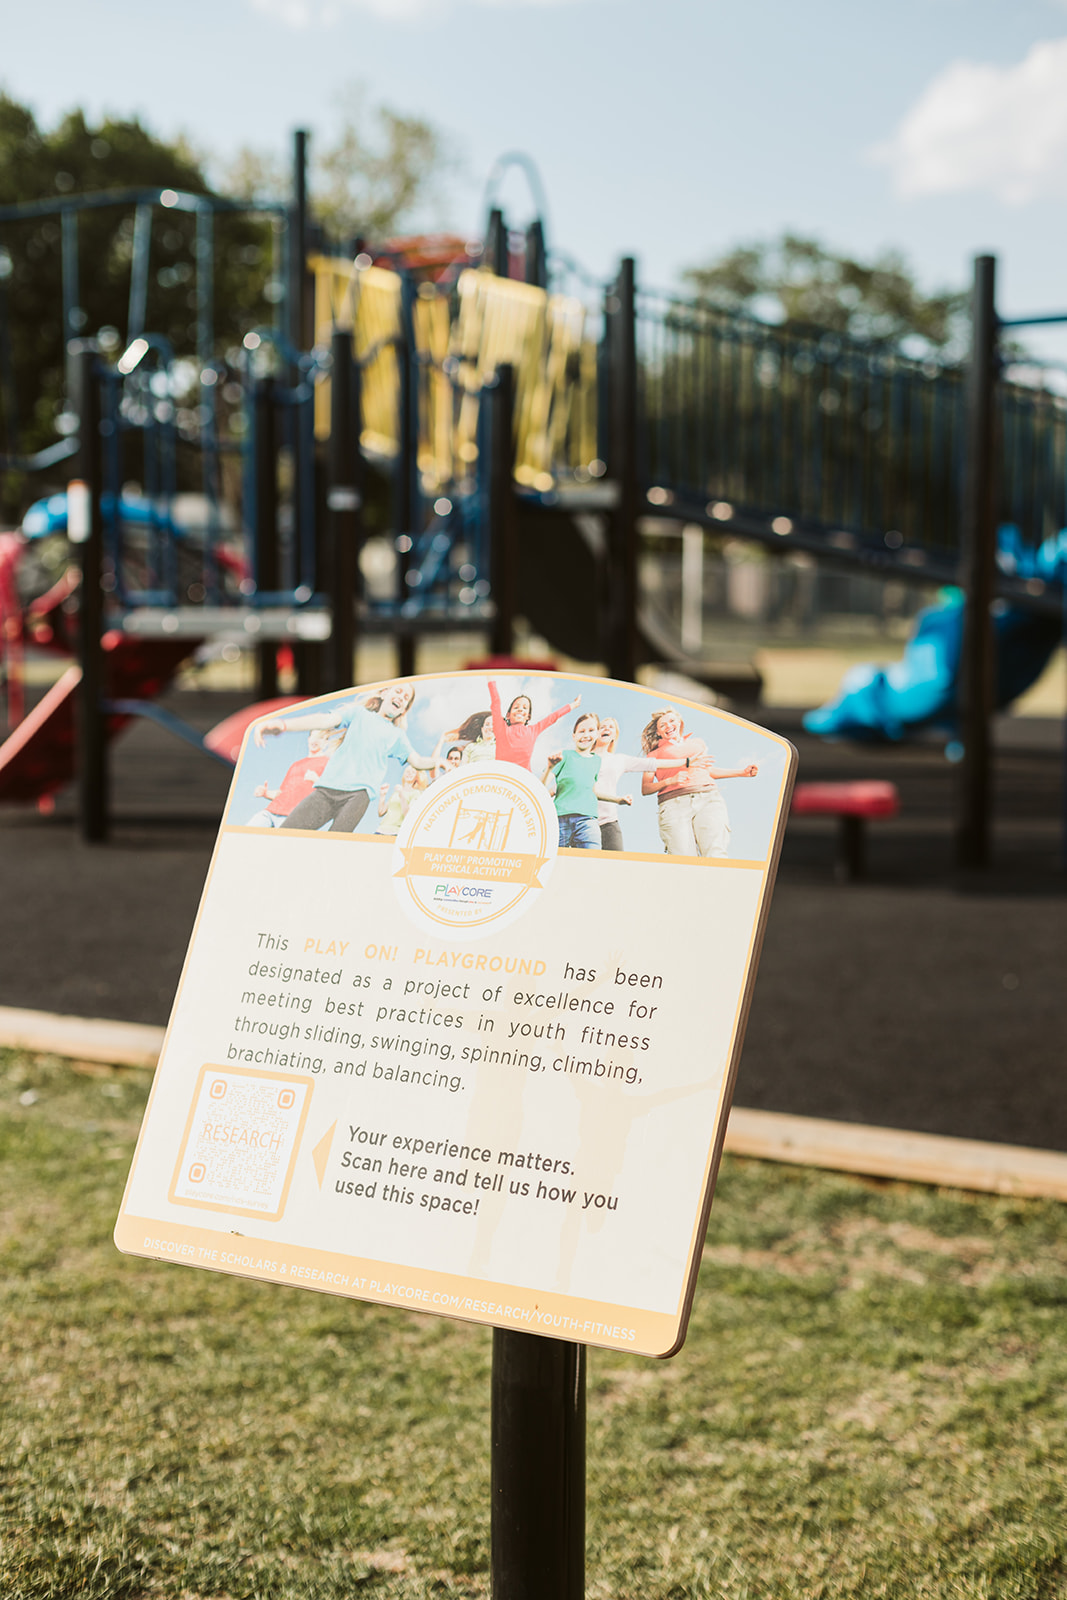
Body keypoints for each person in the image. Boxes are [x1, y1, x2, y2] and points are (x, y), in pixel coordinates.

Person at [253, 684, 437, 833]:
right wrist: (283, 725)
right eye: (398, 691)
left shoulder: (397, 736)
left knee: (334, 845)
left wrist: (438, 762)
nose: (401, 697)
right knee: (287, 834)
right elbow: (324, 720)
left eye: (406, 698)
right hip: (326, 790)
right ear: (384, 693)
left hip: (358, 796)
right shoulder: (359, 714)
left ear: (403, 710)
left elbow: (418, 761)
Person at [640, 707, 758, 857]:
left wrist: (741, 773)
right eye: (662, 725)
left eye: (671, 721)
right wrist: (670, 780)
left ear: (680, 723)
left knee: (715, 854)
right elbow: (646, 788)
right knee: (683, 858)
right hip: (674, 805)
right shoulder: (653, 755)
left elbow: (707, 771)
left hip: (708, 798)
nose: (668, 726)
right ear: (658, 732)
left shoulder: (697, 743)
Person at [590, 716, 688, 851]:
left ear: (614, 736)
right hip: (581, 820)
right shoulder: (581, 756)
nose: (606, 729)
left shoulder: (619, 760)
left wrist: (685, 762)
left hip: (608, 823)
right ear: (595, 732)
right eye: (602, 727)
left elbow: (651, 764)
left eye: (611, 727)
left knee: (616, 862)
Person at [542, 712, 631, 850]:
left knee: (592, 858)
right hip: (561, 819)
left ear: (597, 734)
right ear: (574, 736)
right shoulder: (564, 756)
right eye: (581, 731)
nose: (585, 735)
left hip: (587, 821)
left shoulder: (596, 761)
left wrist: (618, 800)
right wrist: (549, 768)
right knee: (557, 858)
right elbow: (541, 786)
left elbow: (593, 791)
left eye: (591, 730)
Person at [246, 727, 342, 828]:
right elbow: (282, 793)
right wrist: (265, 793)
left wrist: (317, 780)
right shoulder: (296, 764)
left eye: (320, 737)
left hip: (292, 818)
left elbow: (336, 794)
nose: (315, 740)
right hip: (270, 812)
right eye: (313, 736)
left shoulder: (328, 763)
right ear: (308, 739)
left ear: (326, 742)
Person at [486, 679, 581, 770]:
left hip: (523, 776)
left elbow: (553, 717)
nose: (520, 709)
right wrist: (490, 677)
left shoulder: (533, 730)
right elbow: (496, 702)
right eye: (516, 707)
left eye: (524, 708)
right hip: (502, 774)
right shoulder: (501, 728)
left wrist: (573, 705)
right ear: (508, 715)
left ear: (528, 716)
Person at [376, 764, 429, 835]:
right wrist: (383, 795)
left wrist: (401, 795)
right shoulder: (396, 792)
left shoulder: (416, 793)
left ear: (417, 776)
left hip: (396, 832)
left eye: (413, 772)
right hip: (381, 830)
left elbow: (408, 815)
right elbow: (381, 812)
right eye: (407, 771)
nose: (409, 773)